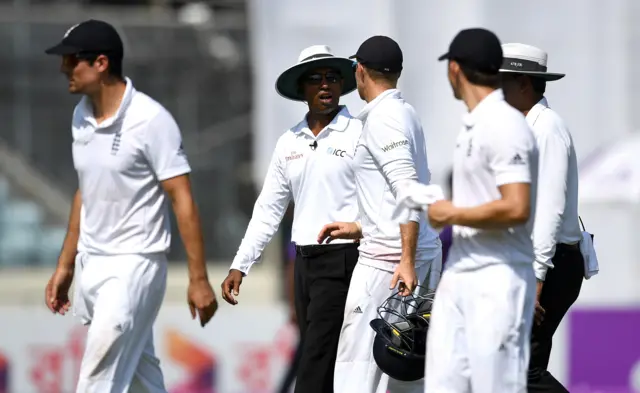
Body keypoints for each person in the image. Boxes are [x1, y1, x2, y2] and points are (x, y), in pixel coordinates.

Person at [43, 19, 218, 393]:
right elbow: (84, 191)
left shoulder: (151, 120)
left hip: (135, 265)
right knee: (141, 379)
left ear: (101, 63)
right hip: (94, 263)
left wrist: (199, 278)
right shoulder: (81, 117)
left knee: (97, 379)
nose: (63, 68)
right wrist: (65, 264)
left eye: (72, 60)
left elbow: (181, 197)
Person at [220, 45, 362, 393]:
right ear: (302, 89)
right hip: (304, 262)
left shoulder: (359, 133)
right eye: (315, 79)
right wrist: (241, 265)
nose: (325, 85)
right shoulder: (289, 142)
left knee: (315, 360)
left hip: (345, 258)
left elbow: (384, 199)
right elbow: (269, 208)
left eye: (332, 78)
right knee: (323, 358)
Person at [318, 35, 442, 393]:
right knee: (404, 374)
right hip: (409, 252)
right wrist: (360, 226)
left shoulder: (384, 119)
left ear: (359, 71)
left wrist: (404, 259)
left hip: (389, 265)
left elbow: (406, 190)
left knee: (356, 370)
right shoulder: (403, 112)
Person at [424, 28, 539, 393]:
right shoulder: (473, 125)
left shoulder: (506, 123)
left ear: (454, 69)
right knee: (443, 386)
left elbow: (517, 207)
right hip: (459, 272)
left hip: (498, 276)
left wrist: (450, 213)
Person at [500, 43, 583, 393]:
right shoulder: (523, 128)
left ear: (523, 84)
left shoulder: (545, 129)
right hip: (539, 262)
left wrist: (535, 282)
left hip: (549, 266)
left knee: (521, 371)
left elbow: (549, 210)